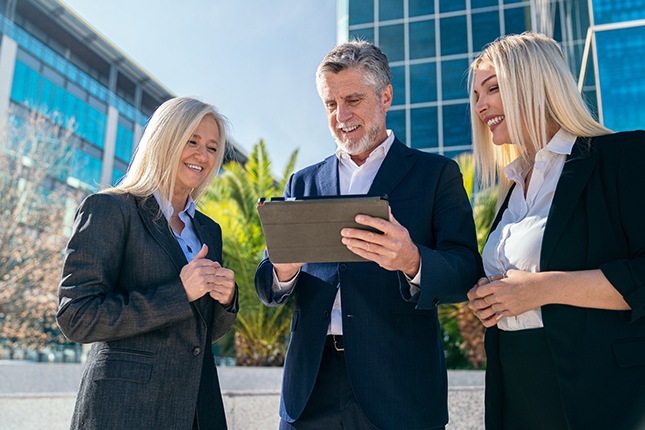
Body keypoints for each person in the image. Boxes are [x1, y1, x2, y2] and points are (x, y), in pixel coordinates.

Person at [255, 41, 482, 430]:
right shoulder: (302, 181)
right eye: (330, 104)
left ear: (386, 96)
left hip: (399, 391)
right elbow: (268, 285)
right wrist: (283, 271)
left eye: (353, 100)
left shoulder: (436, 175)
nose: (341, 115)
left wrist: (413, 261)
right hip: (310, 391)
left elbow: (466, 272)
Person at [466, 32, 645, 430]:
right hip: (516, 388)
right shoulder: (510, 186)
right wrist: (491, 298)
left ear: (533, 82)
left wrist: (541, 289)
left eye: (492, 88)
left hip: (602, 393)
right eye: (477, 95)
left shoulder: (623, 158)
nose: (480, 106)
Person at [56, 96, 238, 430]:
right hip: (125, 411)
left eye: (213, 148)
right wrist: (179, 293)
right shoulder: (110, 209)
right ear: (164, 140)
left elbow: (203, 336)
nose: (203, 156)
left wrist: (225, 300)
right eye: (192, 141)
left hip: (200, 409)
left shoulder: (209, 230)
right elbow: (76, 317)